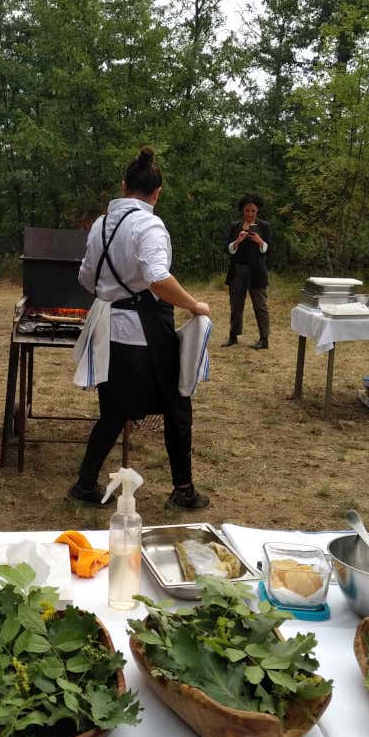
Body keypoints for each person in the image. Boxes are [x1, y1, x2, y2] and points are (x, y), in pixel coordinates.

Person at [68, 146, 212, 511]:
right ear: (157, 193)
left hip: (108, 330)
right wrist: (194, 305)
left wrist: (114, 294)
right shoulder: (149, 224)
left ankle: (85, 484)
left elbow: (86, 277)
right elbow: (158, 279)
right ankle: (183, 490)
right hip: (145, 332)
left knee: (114, 411)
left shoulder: (101, 224)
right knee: (178, 406)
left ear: (123, 185)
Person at [222, 193, 272, 349]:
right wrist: (238, 240)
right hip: (238, 271)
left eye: (253, 211)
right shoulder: (235, 226)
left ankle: (264, 339)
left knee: (260, 306)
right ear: (242, 211)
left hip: (256, 272)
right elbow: (227, 249)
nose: (250, 214)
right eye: (247, 211)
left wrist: (260, 241)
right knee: (236, 305)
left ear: (257, 211)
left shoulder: (264, 226)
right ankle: (233, 336)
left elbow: (269, 250)